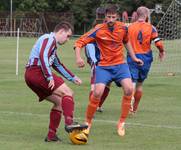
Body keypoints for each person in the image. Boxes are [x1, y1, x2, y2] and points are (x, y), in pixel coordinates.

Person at [74, 5, 143, 137]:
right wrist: (78, 58)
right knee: (97, 92)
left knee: (129, 89)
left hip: (120, 65)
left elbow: (126, 42)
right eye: (108, 17)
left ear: (116, 16)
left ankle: (121, 123)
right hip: (104, 66)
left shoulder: (123, 27)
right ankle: (87, 123)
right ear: (105, 17)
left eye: (113, 17)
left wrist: (134, 57)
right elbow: (79, 43)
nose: (111, 19)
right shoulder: (98, 29)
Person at [24, 21, 87, 142]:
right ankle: (70, 123)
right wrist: (49, 77)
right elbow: (42, 56)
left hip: (30, 76)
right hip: (37, 72)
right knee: (68, 93)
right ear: (61, 31)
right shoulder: (49, 39)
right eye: (67, 36)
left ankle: (51, 135)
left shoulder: (52, 47)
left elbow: (58, 65)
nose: (68, 39)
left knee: (59, 103)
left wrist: (73, 77)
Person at [127, 6, 165, 115]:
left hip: (132, 55)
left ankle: (129, 101)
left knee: (132, 81)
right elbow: (158, 43)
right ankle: (134, 108)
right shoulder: (151, 28)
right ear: (147, 15)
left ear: (137, 14)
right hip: (146, 57)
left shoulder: (129, 27)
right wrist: (162, 51)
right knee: (139, 84)